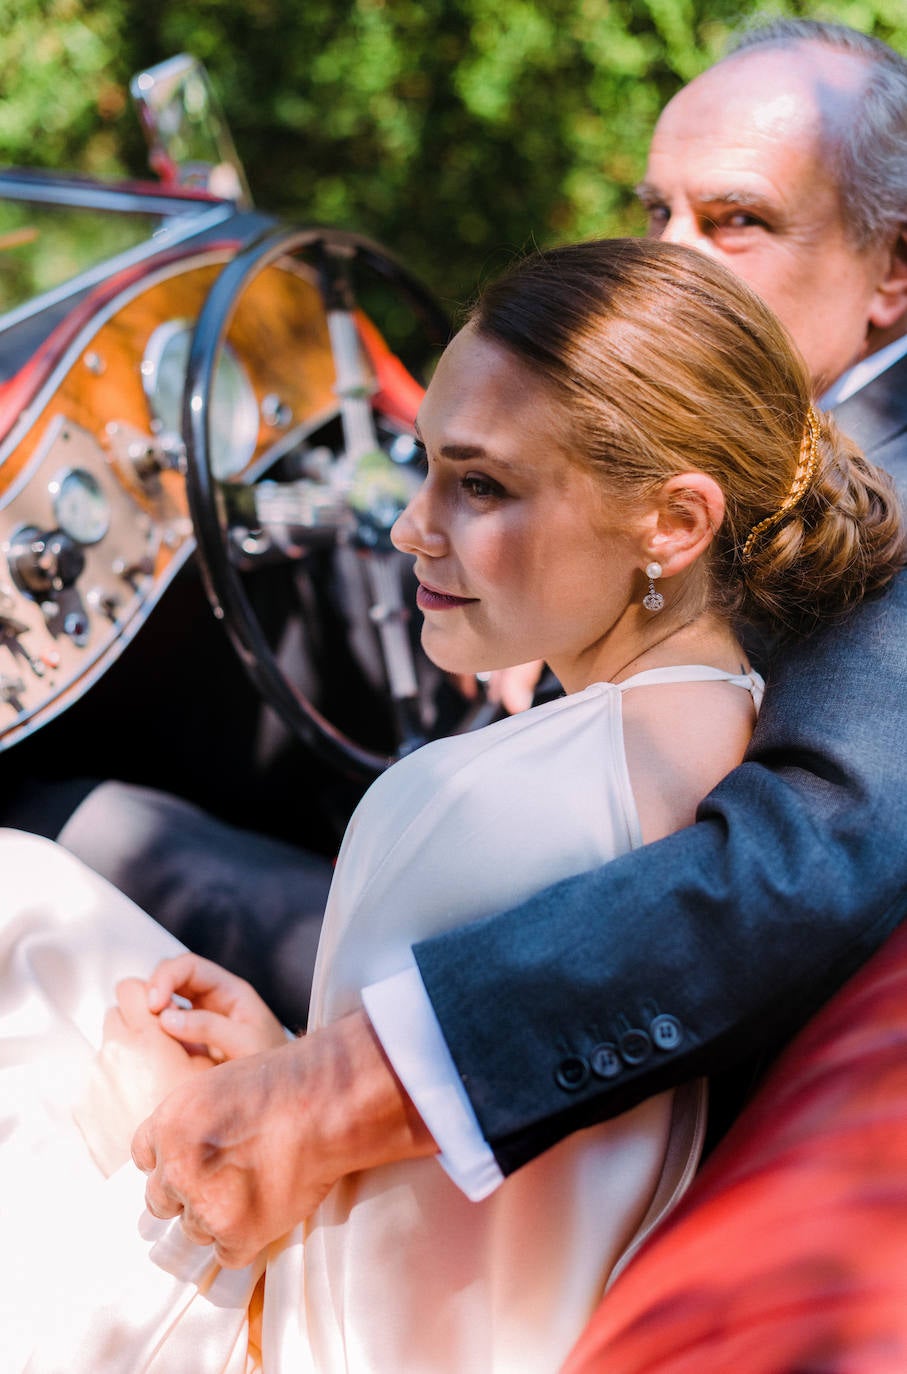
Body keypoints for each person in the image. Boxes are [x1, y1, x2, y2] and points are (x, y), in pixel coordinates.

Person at [3, 235, 903, 1371]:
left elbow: (350, 1329)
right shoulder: (740, 730)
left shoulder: (476, 802)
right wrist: (292, 1056)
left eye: (479, 484)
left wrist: (158, 1113)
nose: (407, 528)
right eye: (423, 465)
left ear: (673, 523)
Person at [125, 16, 907, 1267]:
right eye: (657, 214)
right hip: (492, 886)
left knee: (81, 844)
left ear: (894, 270)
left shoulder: (889, 508)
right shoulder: (744, 431)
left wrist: (335, 1087)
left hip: (552, 1004)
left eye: (738, 221)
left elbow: (804, 866)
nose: (679, 262)